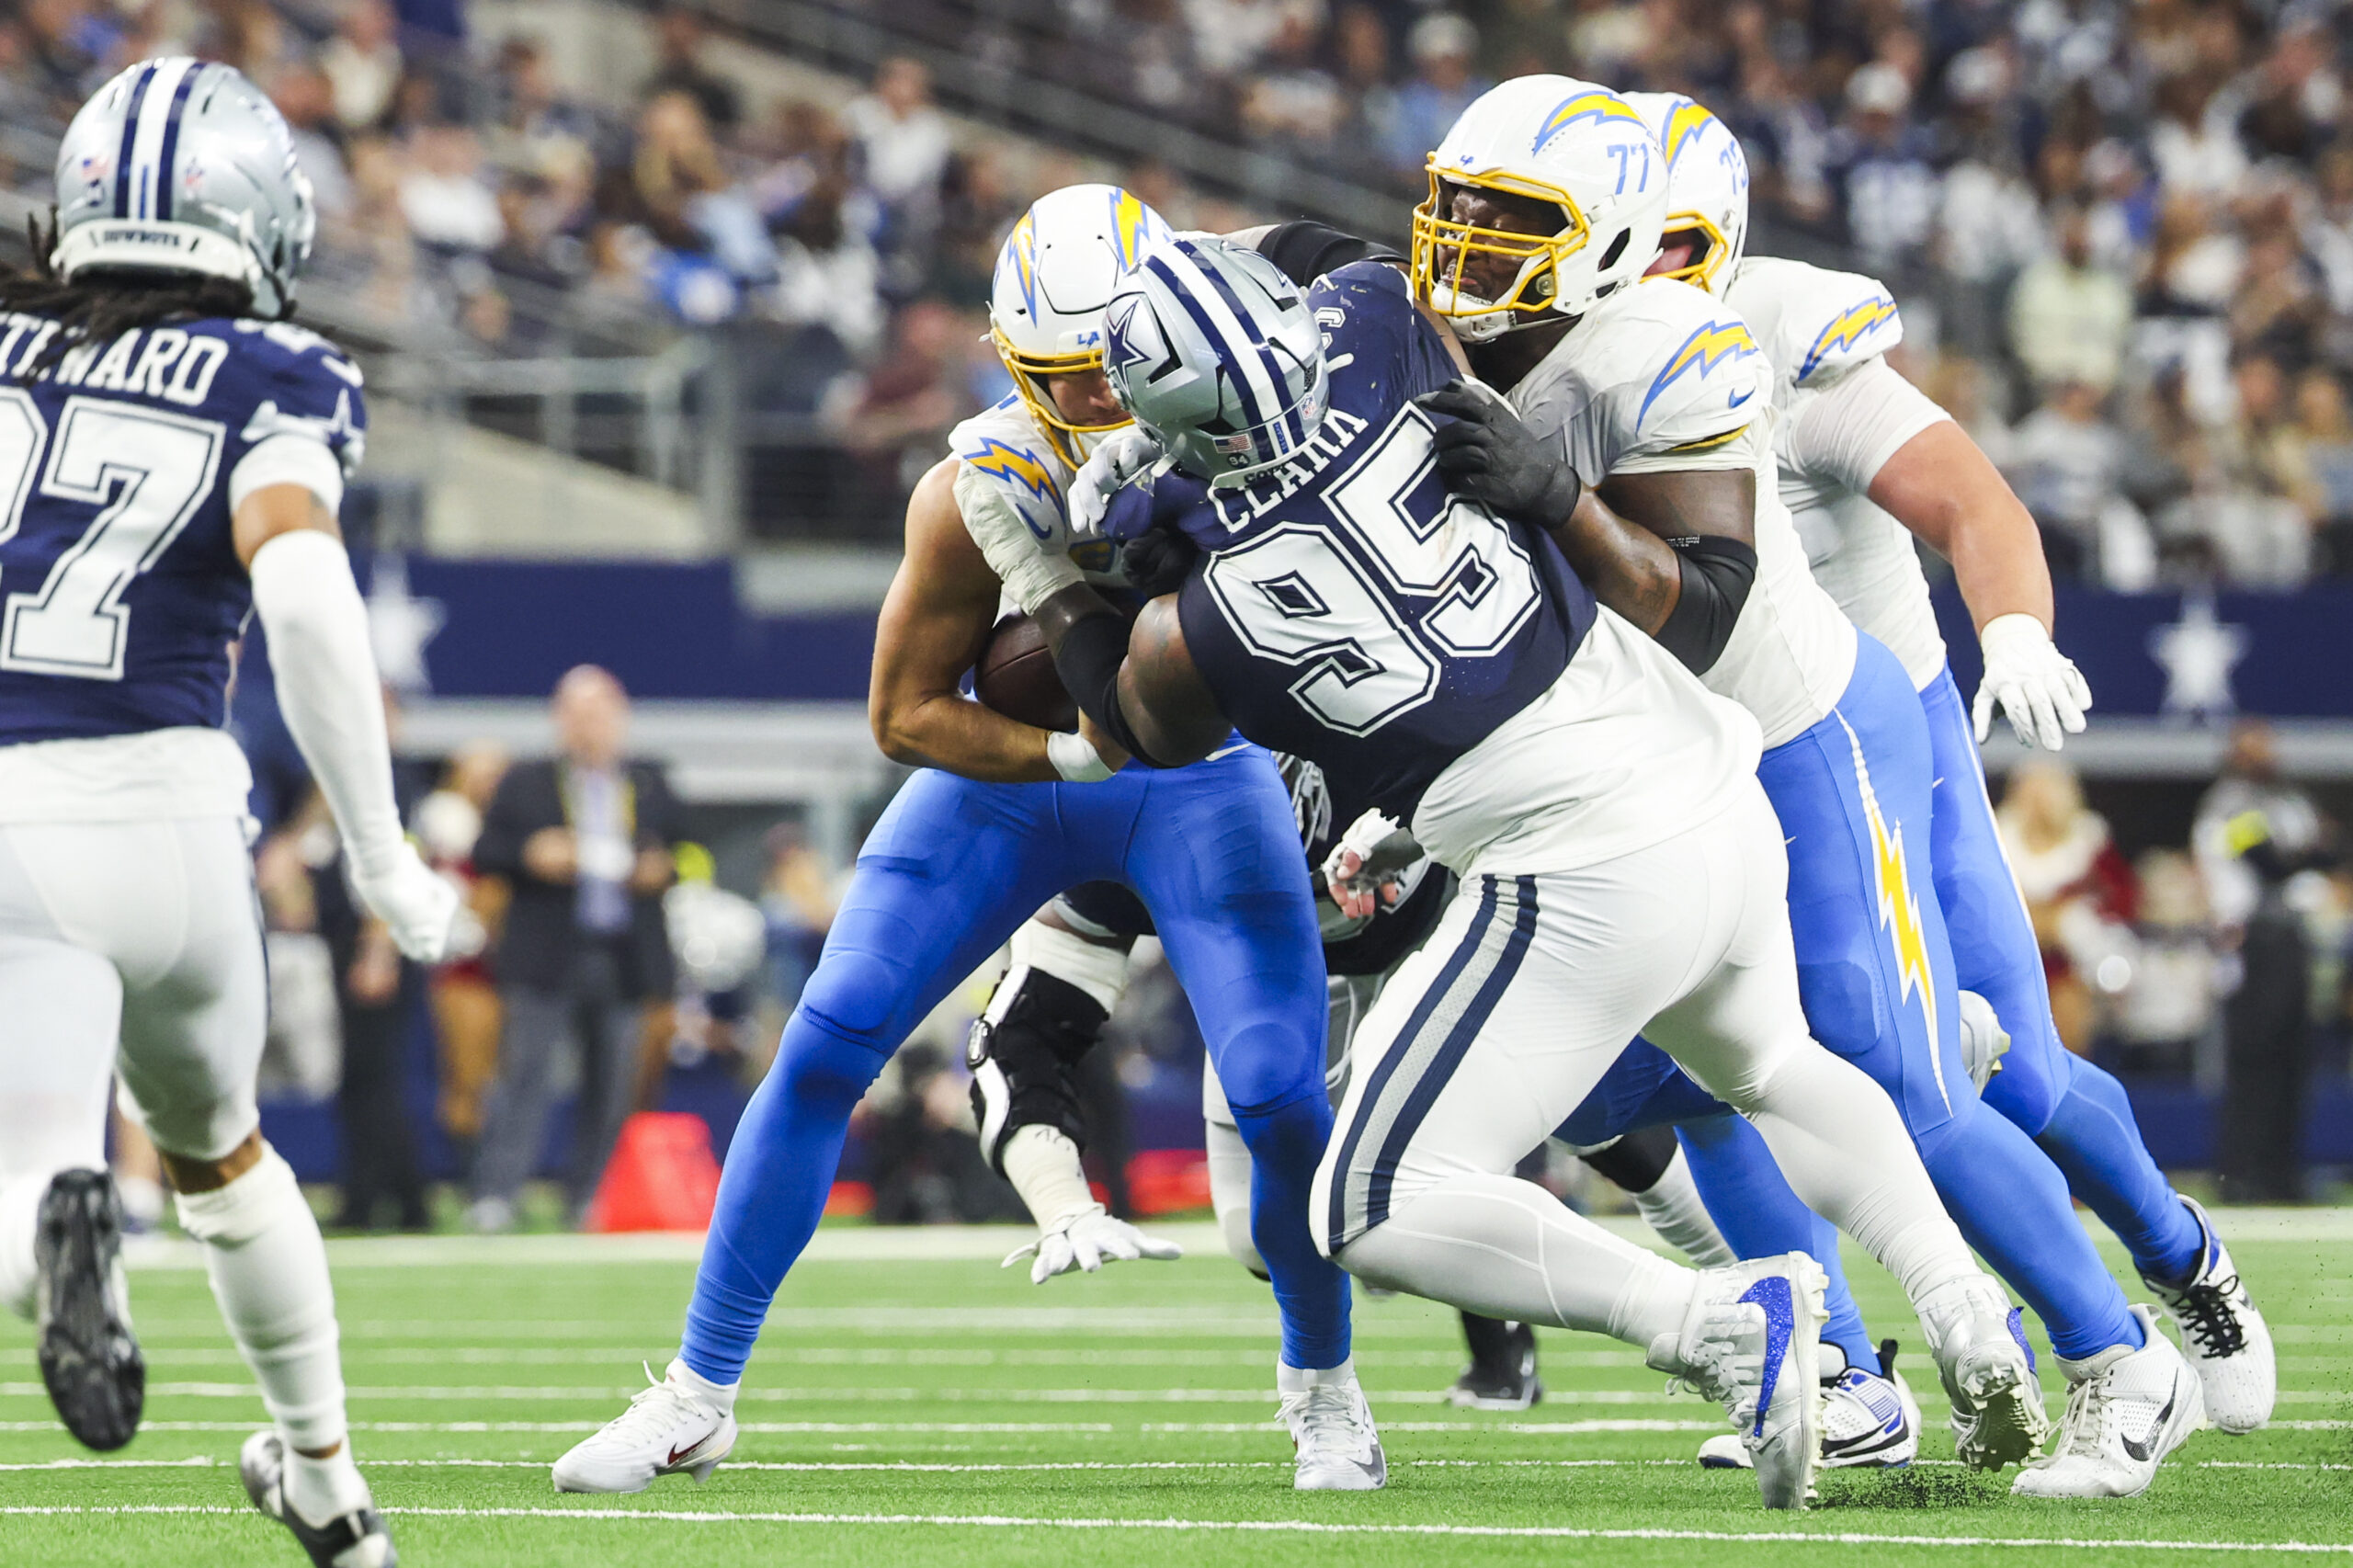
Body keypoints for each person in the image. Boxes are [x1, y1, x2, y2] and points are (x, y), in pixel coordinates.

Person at [998, 232, 2046, 1512]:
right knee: (1775, 1065)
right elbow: (1350, 261)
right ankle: (1963, 1307)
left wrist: (1052, 574)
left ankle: (1716, 1322)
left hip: (1576, 865)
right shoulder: (1381, 323)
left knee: (1366, 1201)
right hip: (1705, 776)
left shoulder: (1203, 624)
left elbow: (1132, 724)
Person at [1404, 77, 2200, 1498]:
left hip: (1799, 731)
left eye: (1511, 219)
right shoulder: (1447, 345)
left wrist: (1553, 495)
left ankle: (2121, 1353)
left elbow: (1704, 602)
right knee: (1641, 1082)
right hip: (1657, 768)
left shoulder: (1680, 339)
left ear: (1625, 241)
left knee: (1899, 1075)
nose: (1468, 246)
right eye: (1457, 209)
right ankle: (1840, 1369)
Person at [550, 185, 1379, 1498]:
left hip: (1200, 779)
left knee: (1280, 1094)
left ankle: (1324, 1387)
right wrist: (1072, 752)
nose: (1094, 402)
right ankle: (698, 1393)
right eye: (1061, 375)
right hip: (1025, 782)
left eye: (1109, 367)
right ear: (1011, 363)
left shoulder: (1259, 436)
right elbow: (902, 714)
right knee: (825, 1043)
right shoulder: (976, 487)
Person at [1620, 88, 2277, 1460]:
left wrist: (2016, 625)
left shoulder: (1784, 336)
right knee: (1718, 1072)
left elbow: (1974, 499)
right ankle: (1840, 1371)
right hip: (1699, 754)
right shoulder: (1552, 351)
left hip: (1876, 736)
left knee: (2000, 1079)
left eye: (1661, 241)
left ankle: (2179, 1256)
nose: (1633, 270)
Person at [0, 57, 471, 1566]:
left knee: (29, 1165)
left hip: (10, 819)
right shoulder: (275, 371)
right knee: (224, 1158)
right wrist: (383, 855)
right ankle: (327, 1482)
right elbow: (311, 605)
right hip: (174, 818)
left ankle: (55, 1224)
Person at [468, 665, 682, 1233]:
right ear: (559, 719)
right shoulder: (528, 780)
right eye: (579, 714)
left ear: (620, 717)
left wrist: (661, 869)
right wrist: (531, 854)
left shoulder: (649, 780)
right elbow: (486, 851)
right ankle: (497, 1194)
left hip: (624, 953)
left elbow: (688, 851)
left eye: (600, 713)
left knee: (611, 1085)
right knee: (525, 1077)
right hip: (546, 952)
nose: (590, 726)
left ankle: (589, 1197)